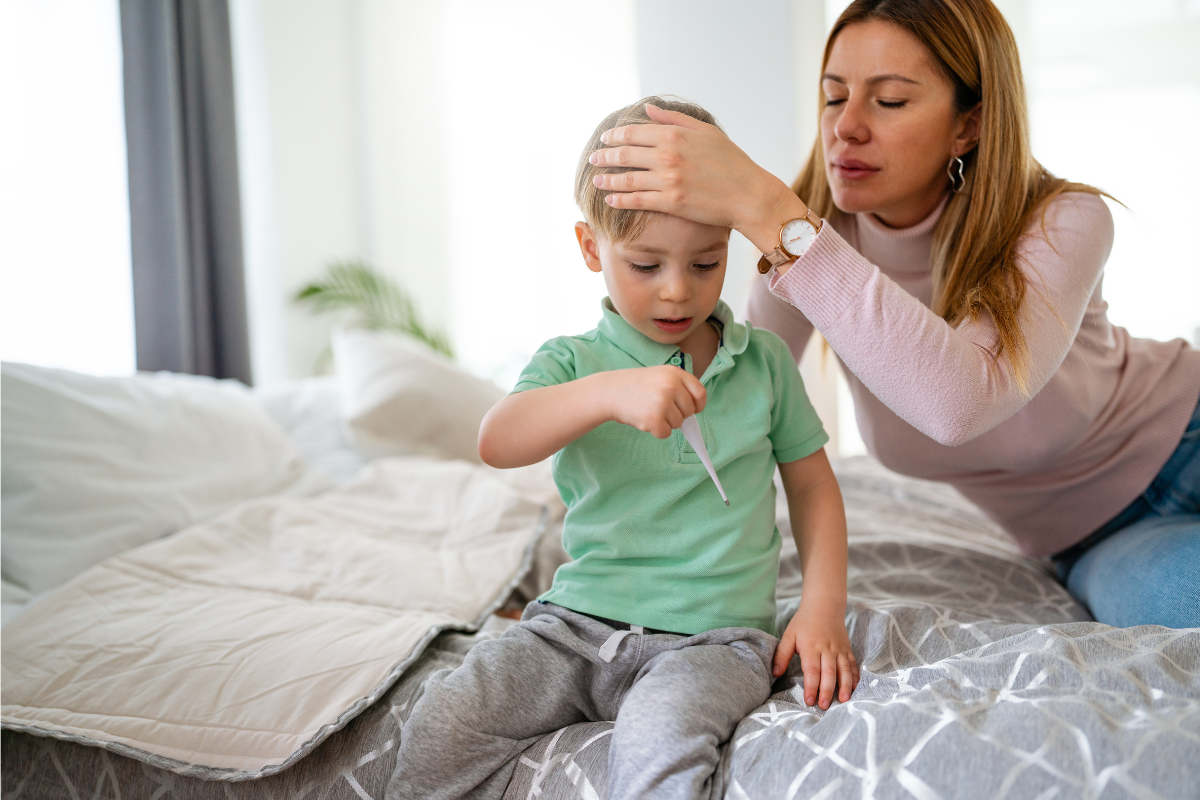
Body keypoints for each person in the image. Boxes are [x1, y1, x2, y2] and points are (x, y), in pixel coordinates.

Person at [587, 0, 1200, 629]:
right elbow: (722, 410)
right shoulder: (812, 248)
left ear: (970, 125)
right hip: (1090, 538)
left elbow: (960, 401)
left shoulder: (1063, 221)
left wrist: (763, 203)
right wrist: (596, 597)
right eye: (833, 97)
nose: (846, 127)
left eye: (890, 101)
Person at [387, 98, 859, 800]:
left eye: (705, 263)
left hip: (715, 641)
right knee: (444, 719)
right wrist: (608, 394)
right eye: (645, 264)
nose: (677, 291)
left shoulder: (761, 363)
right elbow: (497, 439)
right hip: (574, 629)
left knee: (659, 742)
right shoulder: (573, 361)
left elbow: (816, 488)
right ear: (590, 249)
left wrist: (821, 605)